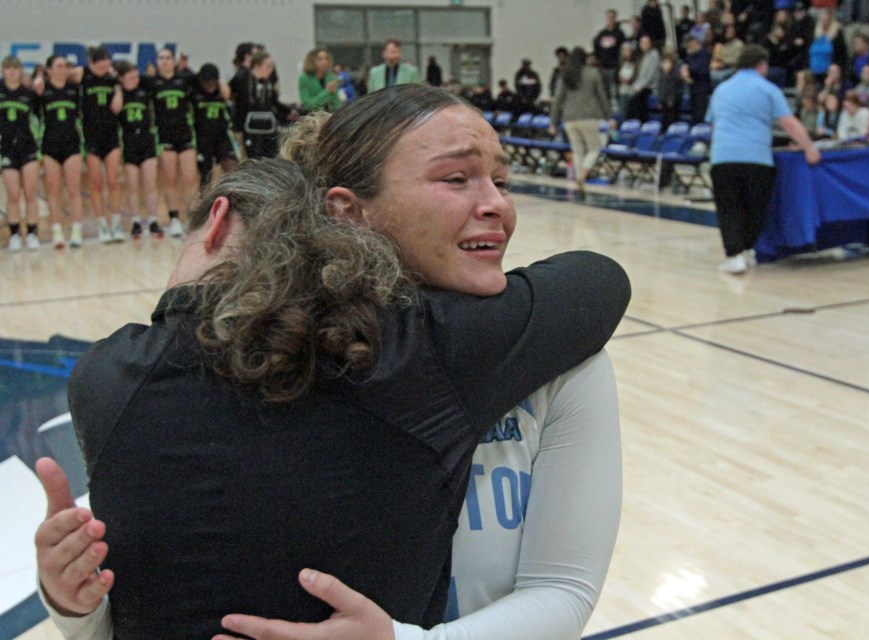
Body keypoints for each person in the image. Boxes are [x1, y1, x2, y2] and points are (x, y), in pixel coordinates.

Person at [35, 87, 630, 639]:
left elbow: (563, 589)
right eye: (457, 178)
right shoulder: (283, 364)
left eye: (502, 179)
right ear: (346, 211)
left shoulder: (561, 356)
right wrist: (77, 604)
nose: (496, 203)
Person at [706, 45, 821, 274]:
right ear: (761, 65)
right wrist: (809, 147)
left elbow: (715, 124)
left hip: (724, 157)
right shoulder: (768, 89)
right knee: (755, 208)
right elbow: (788, 122)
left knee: (729, 208)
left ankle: (735, 254)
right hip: (756, 158)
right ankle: (747, 250)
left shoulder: (722, 90)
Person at [71, 47, 125, 243]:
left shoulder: (112, 79)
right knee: (95, 183)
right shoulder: (82, 74)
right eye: (100, 61)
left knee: (113, 181)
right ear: (92, 62)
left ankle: (116, 223)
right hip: (91, 136)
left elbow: (122, 82)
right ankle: (102, 224)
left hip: (111, 134)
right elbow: (62, 75)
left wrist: (118, 91)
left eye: (107, 60)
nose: (105, 64)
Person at [550, 47, 616, 197]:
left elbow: (557, 100)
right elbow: (602, 97)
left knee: (578, 151)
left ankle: (580, 183)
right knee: (595, 148)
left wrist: (553, 122)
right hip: (590, 117)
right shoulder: (592, 73)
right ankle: (582, 176)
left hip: (569, 119)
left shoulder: (565, 75)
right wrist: (608, 116)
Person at [34, 55, 84, 249]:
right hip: (50, 145)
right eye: (59, 66)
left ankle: (77, 231)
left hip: (72, 144)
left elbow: (82, 71)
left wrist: (67, 72)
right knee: (53, 191)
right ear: (49, 69)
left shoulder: (74, 89)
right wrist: (39, 78)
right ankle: (57, 233)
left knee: (74, 190)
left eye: (65, 66)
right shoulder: (42, 90)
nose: (63, 69)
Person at [110, 61, 161, 240]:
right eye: (130, 78)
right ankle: (136, 222)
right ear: (122, 79)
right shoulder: (119, 94)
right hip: (129, 142)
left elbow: (152, 78)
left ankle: (154, 220)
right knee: (132, 186)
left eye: (136, 76)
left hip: (147, 140)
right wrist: (117, 90)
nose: (135, 80)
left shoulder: (144, 90)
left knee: (151, 184)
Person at [150, 48, 197, 237]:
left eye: (168, 58)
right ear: (157, 61)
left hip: (185, 135)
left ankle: (192, 217)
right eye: (161, 58)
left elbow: (202, 80)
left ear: (174, 61)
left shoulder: (184, 80)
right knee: (169, 180)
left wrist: (187, 66)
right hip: (164, 136)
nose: (165, 61)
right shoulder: (153, 83)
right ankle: (175, 219)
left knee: (190, 178)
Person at [1, 56, 41, 251]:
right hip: (6, 148)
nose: (11, 72)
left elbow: (41, 118)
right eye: (7, 68)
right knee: (13, 194)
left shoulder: (29, 94)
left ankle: (33, 233)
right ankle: (15, 234)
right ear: (3, 71)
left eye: (15, 68)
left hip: (28, 147)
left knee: (31, 193)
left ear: (20, 71)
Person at [235, 51, 295, 159]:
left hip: (267, 126)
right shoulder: (243, 79)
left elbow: (274, 102)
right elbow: (238, 105)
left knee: (270, 155)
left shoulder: (268, 83)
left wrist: (289, 111)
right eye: (268, 66)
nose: (271, 69)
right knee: (252, 158)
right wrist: (237, 129)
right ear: (257, 65)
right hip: (249, 128)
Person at [192, 63, 238, 185]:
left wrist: (225, 88)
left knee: (232, 168)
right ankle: (205, 201)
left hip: (222, 135)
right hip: (202, 136)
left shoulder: (222, 91)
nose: (209, 86)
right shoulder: (195, 92)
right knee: (205, 174)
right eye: (206, 82)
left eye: (212, 82)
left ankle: (235, 196)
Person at [593, 9, 626, 101]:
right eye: (608, 17)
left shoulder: (619, 33)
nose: (610, 19)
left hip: (614, 66)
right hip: (603, 65)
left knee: (614, 89)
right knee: (604, 89)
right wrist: (598, 59)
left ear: (615, 18)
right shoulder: (602, 33)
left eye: (612, 17)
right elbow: (596, 46)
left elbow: (622, 49)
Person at [626, 35, 660, 121]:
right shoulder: (643, 57)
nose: (644, 45)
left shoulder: (654, 55)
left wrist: (641, 86)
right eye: (642, 43)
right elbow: (640, 75)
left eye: (646, 43)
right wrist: (636, 85)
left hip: (650, 86)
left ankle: (639, 122)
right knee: (629, 97)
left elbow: (650, 75)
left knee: (636, 99)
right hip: (641, 85)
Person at [681, 34, 714, 123]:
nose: (689, 46)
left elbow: (702, 70)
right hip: (693, 88)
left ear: (697, 43)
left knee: (700, 115)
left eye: (691, 43)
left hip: (702, 89)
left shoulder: (704, 54)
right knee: (694, 115)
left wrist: (688, 71)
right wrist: (684, 71)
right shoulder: (690, 55)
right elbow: (685, 65)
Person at [299, 47, 342, 113]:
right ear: (312, 61)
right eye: (320, 59)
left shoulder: (332, 76)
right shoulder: (304, 78)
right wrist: (327, 92)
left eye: (326, 58)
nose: (324, 61)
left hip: (331, 115)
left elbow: (336, 102)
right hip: (312, 116)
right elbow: (308, 105)